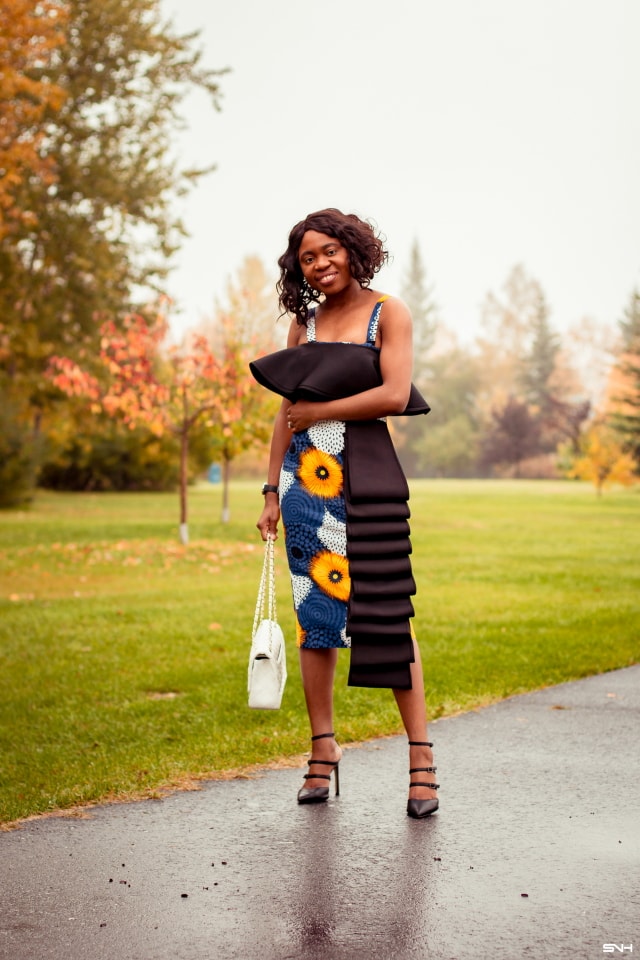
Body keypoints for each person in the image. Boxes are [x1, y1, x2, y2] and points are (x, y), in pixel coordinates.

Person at [254, 208, 439, 818]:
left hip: (368, 478)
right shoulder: (303, 324)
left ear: (353, 250)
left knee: (388, 612)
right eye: (308, 257)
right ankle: (322, 751)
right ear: (299, 268)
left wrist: (320, 411)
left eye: (329, 250)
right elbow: (285, 414)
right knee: (317, 619)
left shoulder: (391, 312)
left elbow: (393, 392)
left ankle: (421, 762)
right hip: (306, 484)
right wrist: (271, 492)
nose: (321, 263)